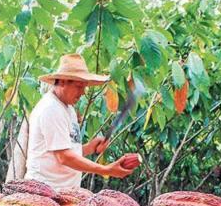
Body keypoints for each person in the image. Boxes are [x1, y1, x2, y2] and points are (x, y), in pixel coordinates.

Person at [24, 53, 137, 190]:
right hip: (44, 191)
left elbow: (67, 150)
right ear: (63, 82)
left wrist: (90, 147)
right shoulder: (51, 109)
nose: (83, 92)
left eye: (84, 87)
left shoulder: (68, 109)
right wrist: (105, 170)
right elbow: (64, 157)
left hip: (64, 192)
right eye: (79, 86)